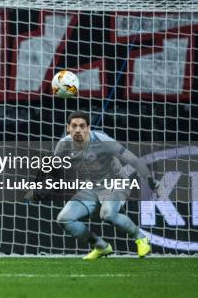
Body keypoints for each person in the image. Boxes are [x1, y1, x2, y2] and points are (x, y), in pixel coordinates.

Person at [54, 111, 158, 259]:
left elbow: (134, 160)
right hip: (91, 187)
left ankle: (141, 238)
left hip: (116, 183)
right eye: (74, 126)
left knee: (108, 214)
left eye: (82, 126)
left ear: (88, 128)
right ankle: (101, 246)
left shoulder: (103, 141)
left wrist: (150, 180)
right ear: (68, 128)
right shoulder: (64, 145)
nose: (78, 130)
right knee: (64, 219)